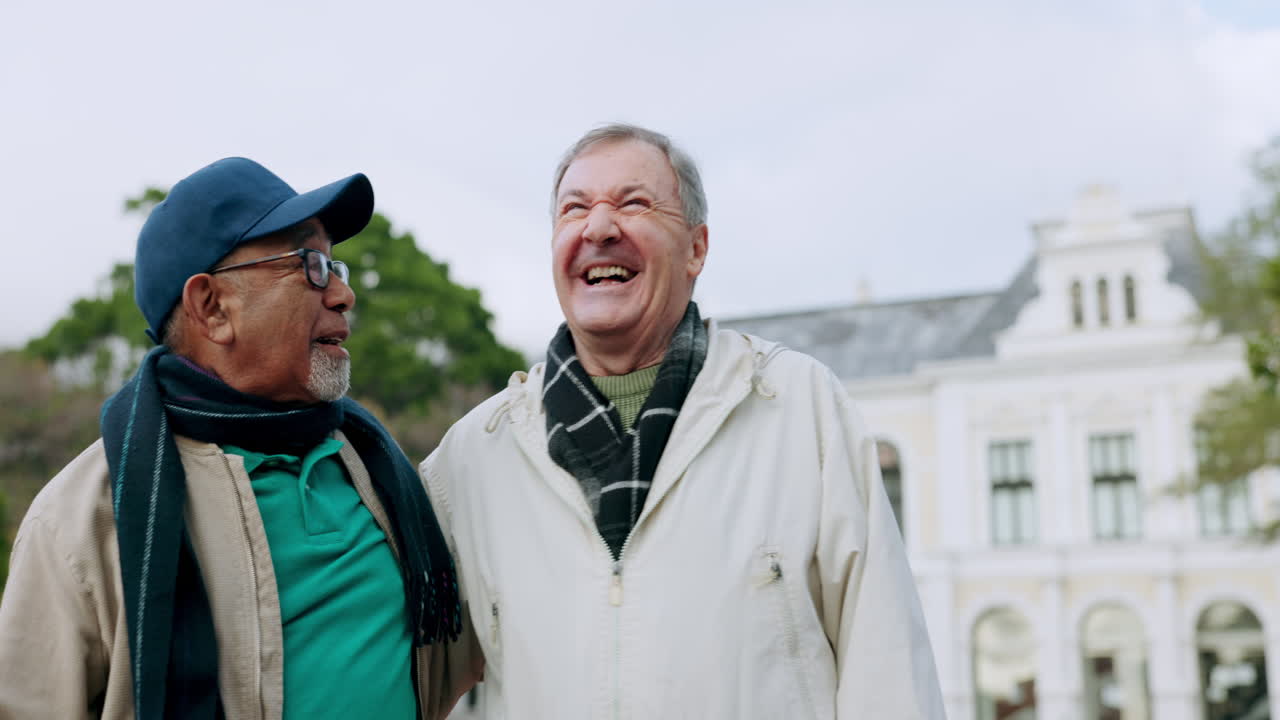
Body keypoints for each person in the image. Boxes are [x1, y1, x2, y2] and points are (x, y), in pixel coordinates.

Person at [420, 124, 945, 718]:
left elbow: (887, 664)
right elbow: (400, 680)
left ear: (696, 248)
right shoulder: (471, 458)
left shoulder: (800, 407)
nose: (598, 227)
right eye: (575, 209)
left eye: (633, 203)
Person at [0, 157, 480, 719]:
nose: (343, 294)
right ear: (212, 307)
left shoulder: (378, 469)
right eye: (310, 264)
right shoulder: (81, 520)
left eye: (336, 266)